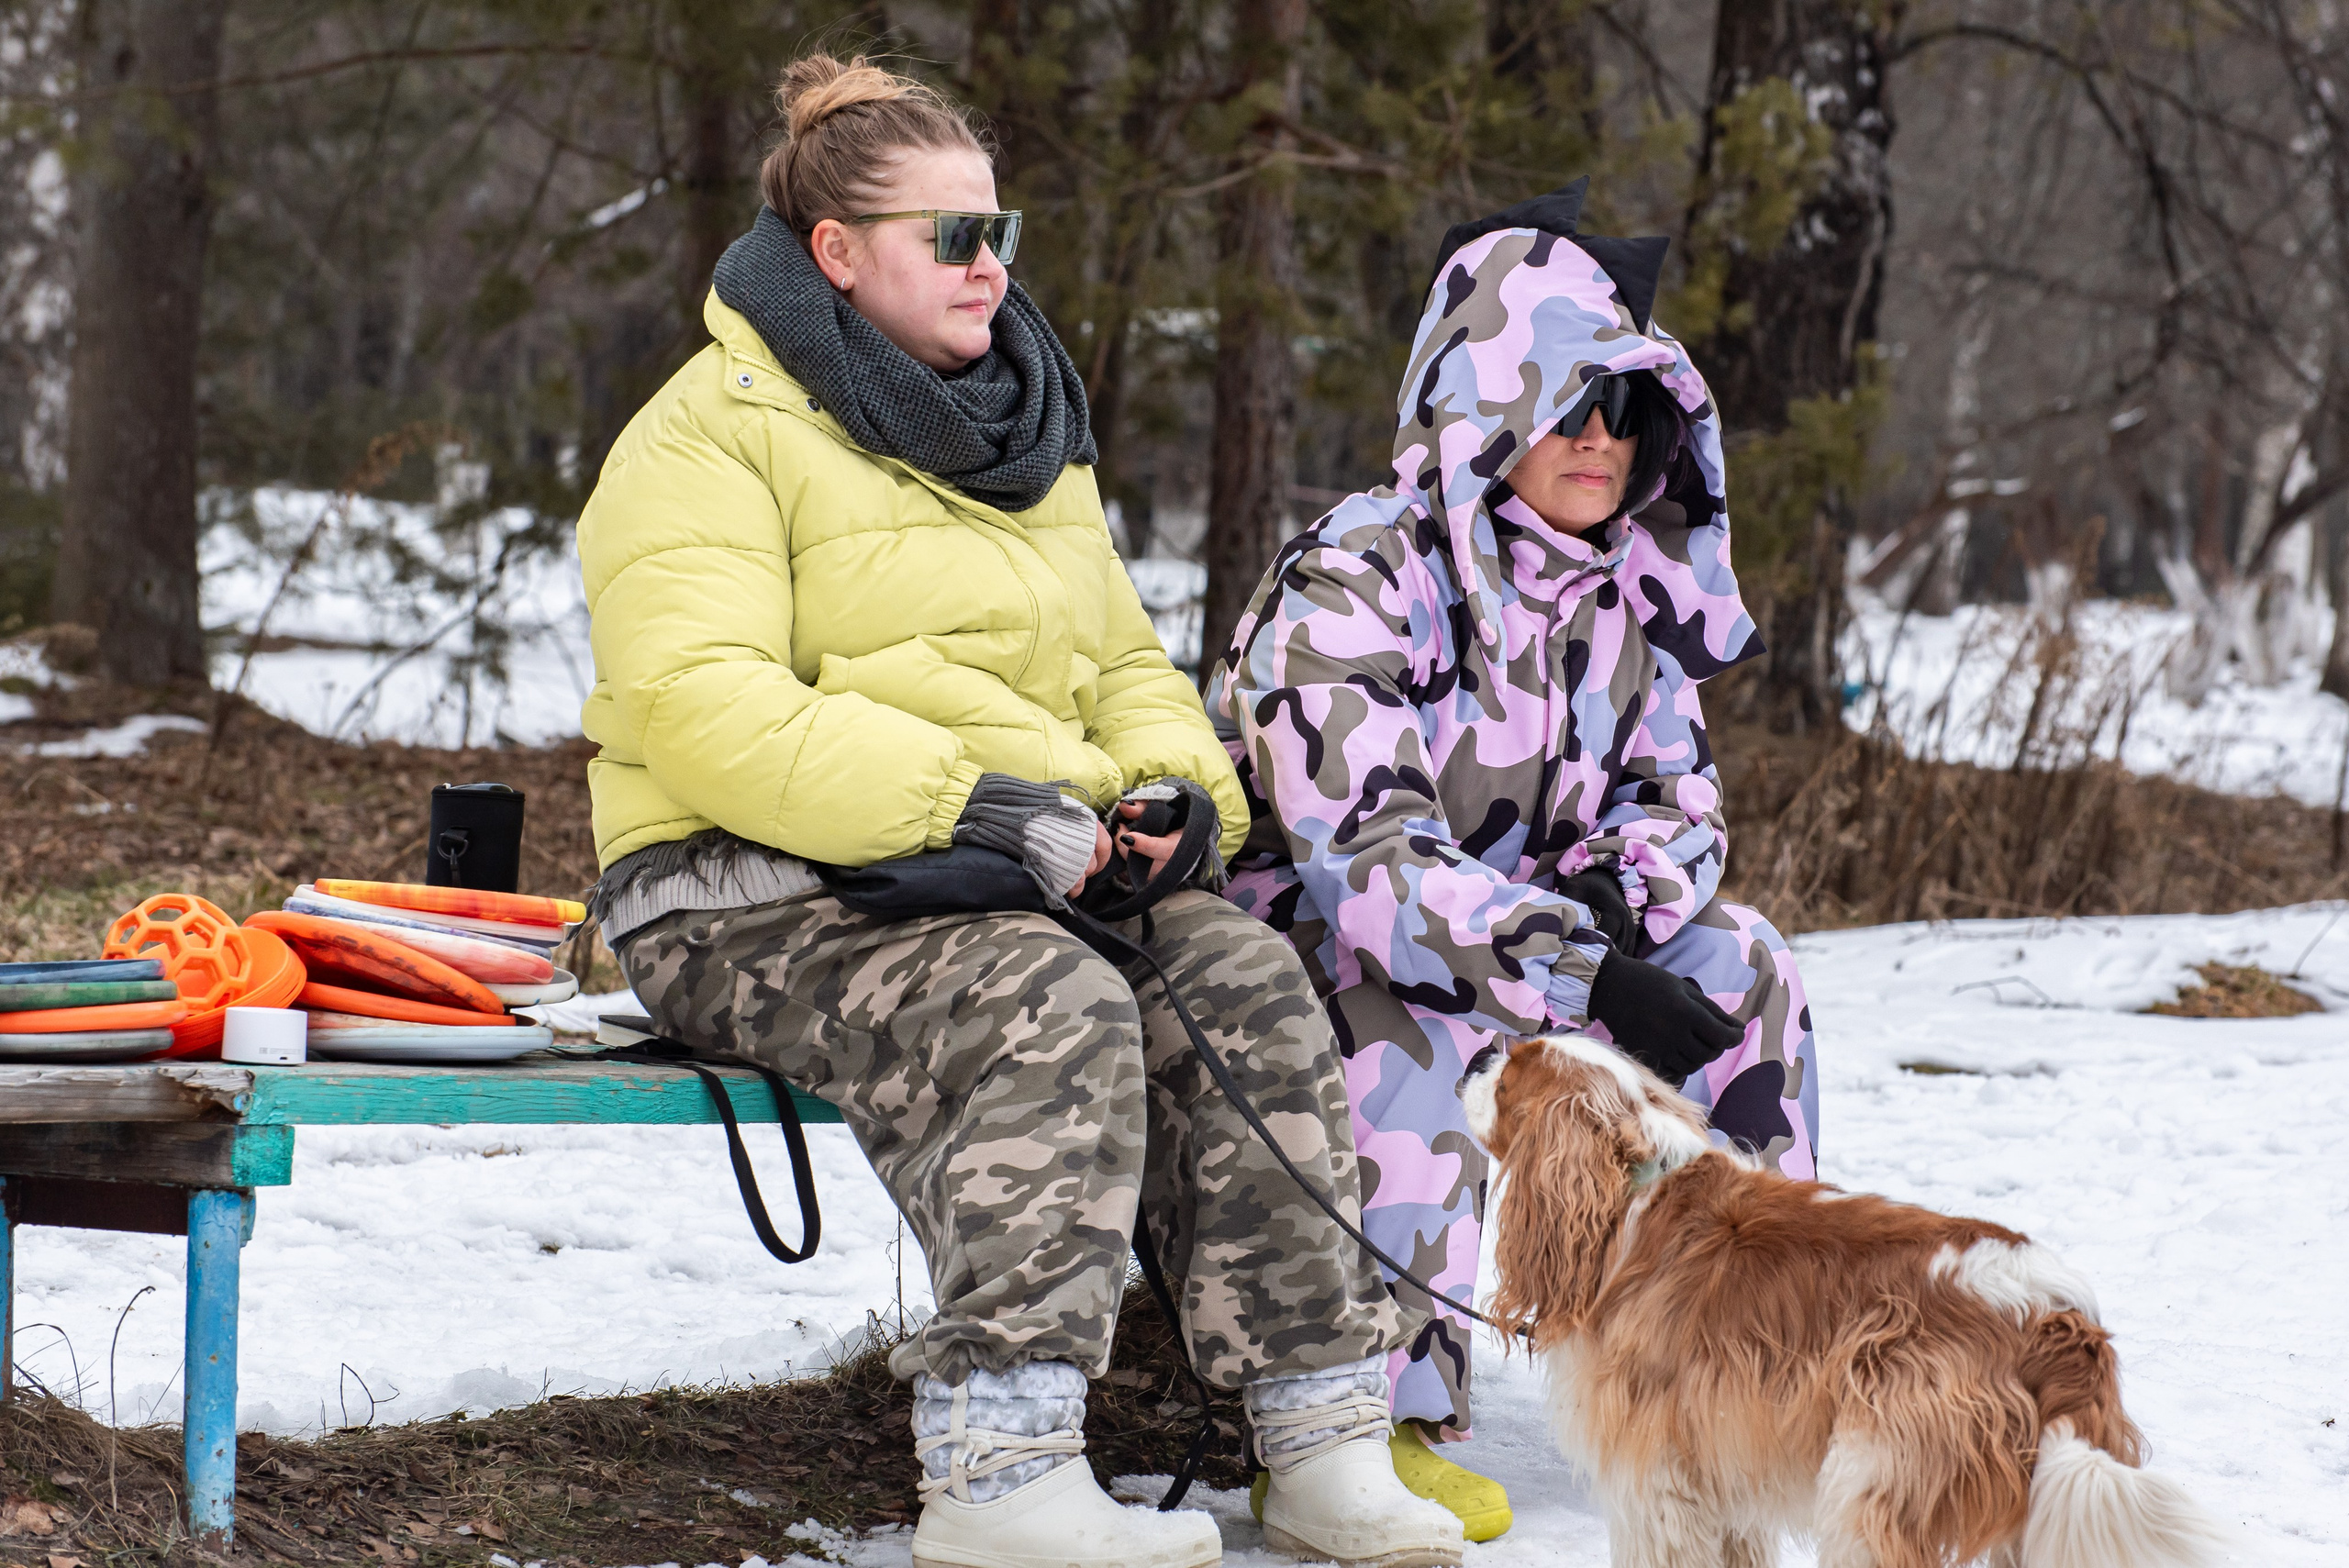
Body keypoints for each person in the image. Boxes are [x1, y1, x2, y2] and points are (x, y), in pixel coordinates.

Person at [573, 52, 1464, 1568]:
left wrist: (1176, 796)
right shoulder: (704, 437)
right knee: (1043, 992)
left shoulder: (1024, 432)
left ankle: (1318, 1433)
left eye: (1004, 232)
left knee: (1235, 967)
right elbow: (703, 710)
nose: (991, 267)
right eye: (952, 237)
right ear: (837, 256)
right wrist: (968, 805)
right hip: (740, 885)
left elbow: (1123, 665)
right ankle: (1000, 1461)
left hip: (990, 865)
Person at [1204, 181, 1823, 1540]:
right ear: (1489, 402)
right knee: (1417, 1012)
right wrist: (1581, 963)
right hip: (1319, 956)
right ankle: (1371, 1419)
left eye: (1629, 410)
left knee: (1747, 965)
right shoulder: (1359, 571)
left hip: (1538, 945)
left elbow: (1684, 805)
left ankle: (1737, 1362)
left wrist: (1615, 897)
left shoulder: (1623, 595)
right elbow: (1368, 863)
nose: (1602, 440)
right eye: (1571, 404)